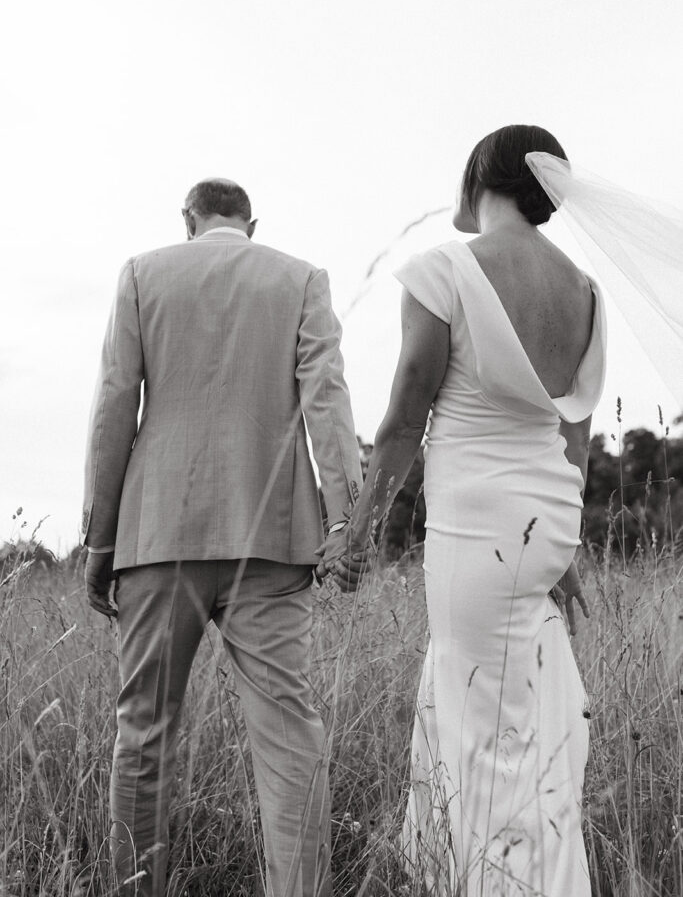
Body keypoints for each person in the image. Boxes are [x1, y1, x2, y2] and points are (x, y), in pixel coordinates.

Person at [318, 125, 604, 896]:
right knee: (499, 711)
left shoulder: (443, 268)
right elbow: (571, 436)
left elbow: (405, 418)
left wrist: (358, 531)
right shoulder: (582, 290)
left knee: (483, 736)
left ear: (481, 173)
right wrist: (563, 547)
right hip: (544, 523)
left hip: (477, 532)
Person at [82, 178, 362, 897]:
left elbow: (116, 400)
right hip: (271, 538)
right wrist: (342, 520)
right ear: (251, 223)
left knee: (143, 734)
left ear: (188, 220)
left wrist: (100, 539)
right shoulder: (299, 277)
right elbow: (326, 397)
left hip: (155, 534)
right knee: (290, 739)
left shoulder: (143, 274)